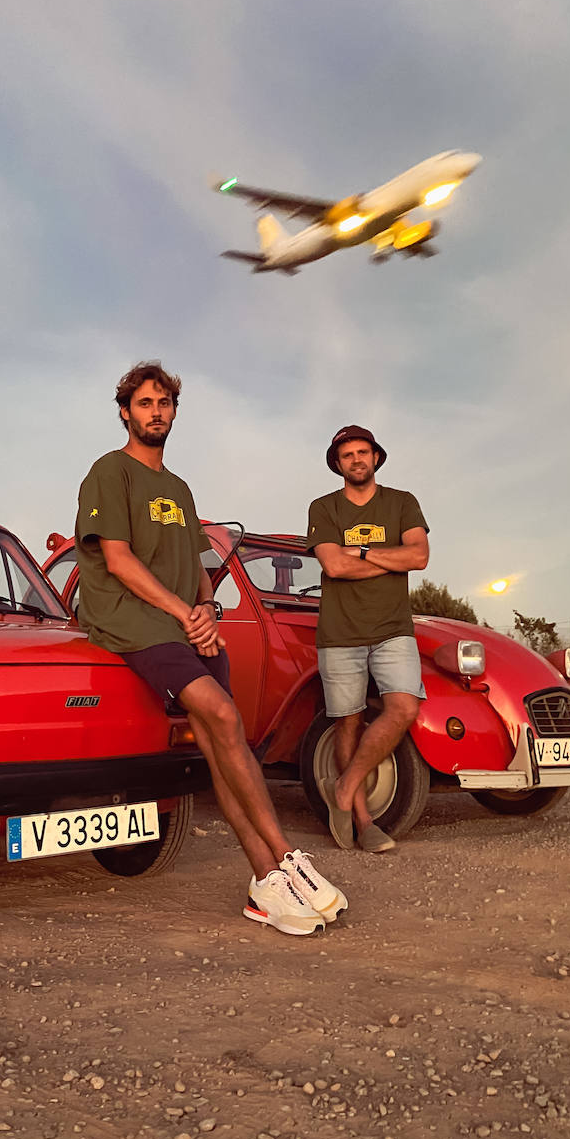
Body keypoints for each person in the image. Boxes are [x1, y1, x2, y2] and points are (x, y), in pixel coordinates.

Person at [75, 361, 347, 935]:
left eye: (165, 403)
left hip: (183, 625)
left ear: (174, 412)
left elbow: (199, 565)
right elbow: (118, 559)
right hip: (133, 623)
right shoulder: (109, 472)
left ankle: (268, 879)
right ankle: (283, 861)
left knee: (226, 738)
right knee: (222, 715)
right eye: (145, 403)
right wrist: (181, 614)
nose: (156, 412)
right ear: (126, 411)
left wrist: (206, 611)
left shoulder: (178, 489)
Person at [307, 425, 429, 853]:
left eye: (363, 452)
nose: (356, 460)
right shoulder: (323, 508)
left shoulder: (402, 502)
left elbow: (419, 556)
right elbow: (333, 568)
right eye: (347, 455)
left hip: (393, 629)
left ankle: (343, 788)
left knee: (403, 708)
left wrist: (358, 552)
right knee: (348, 720)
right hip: (339, 632)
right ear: (337, 464)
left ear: (375, 457)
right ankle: (363, 820)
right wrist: (389, 560)